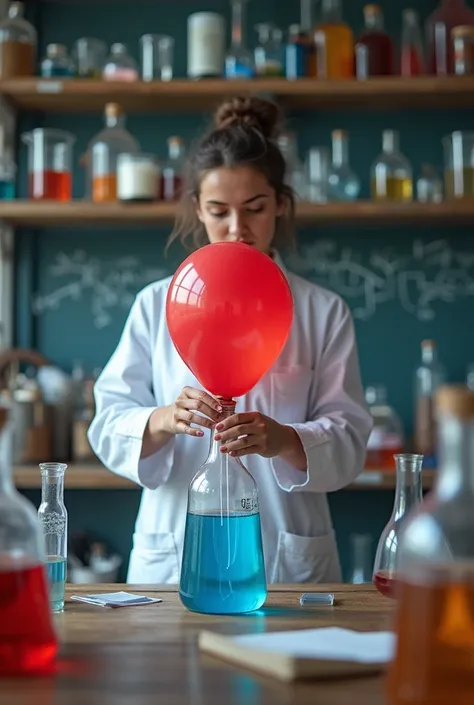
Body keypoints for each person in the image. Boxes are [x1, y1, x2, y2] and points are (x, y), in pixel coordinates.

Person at [88, 96, 373, 585]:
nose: (237, 229)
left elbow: (349, 438)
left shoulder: (322, 312)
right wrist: (161, 420)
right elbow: (108, 420)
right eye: (219, 211)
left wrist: (284, 438)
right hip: (171, 555)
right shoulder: (156, 305)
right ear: (197, 207)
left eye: (255, 209)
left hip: (285, 558)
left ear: (281, 204)